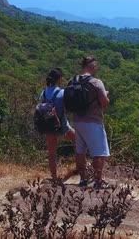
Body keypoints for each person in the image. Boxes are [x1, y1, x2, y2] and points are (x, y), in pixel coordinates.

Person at [73, 56, 111, 188]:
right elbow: (104, 103)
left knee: (80, 151)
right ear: (91, 66)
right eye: (95, 66)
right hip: (93, 121)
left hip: (77, 121)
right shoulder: (96, 82)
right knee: (99, 153)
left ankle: (83, 179)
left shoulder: (73, 80)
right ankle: (98, 181)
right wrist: (106, 95)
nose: (97, 68)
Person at [40, 68, 76, 181]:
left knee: (52, 153)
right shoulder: (62, 92)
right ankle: (81, 167)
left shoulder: (44, 93)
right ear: (59, 79)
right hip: (62, 126)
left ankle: (54, 177)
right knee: (80, 141)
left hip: (48, 126)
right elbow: (67, 108)